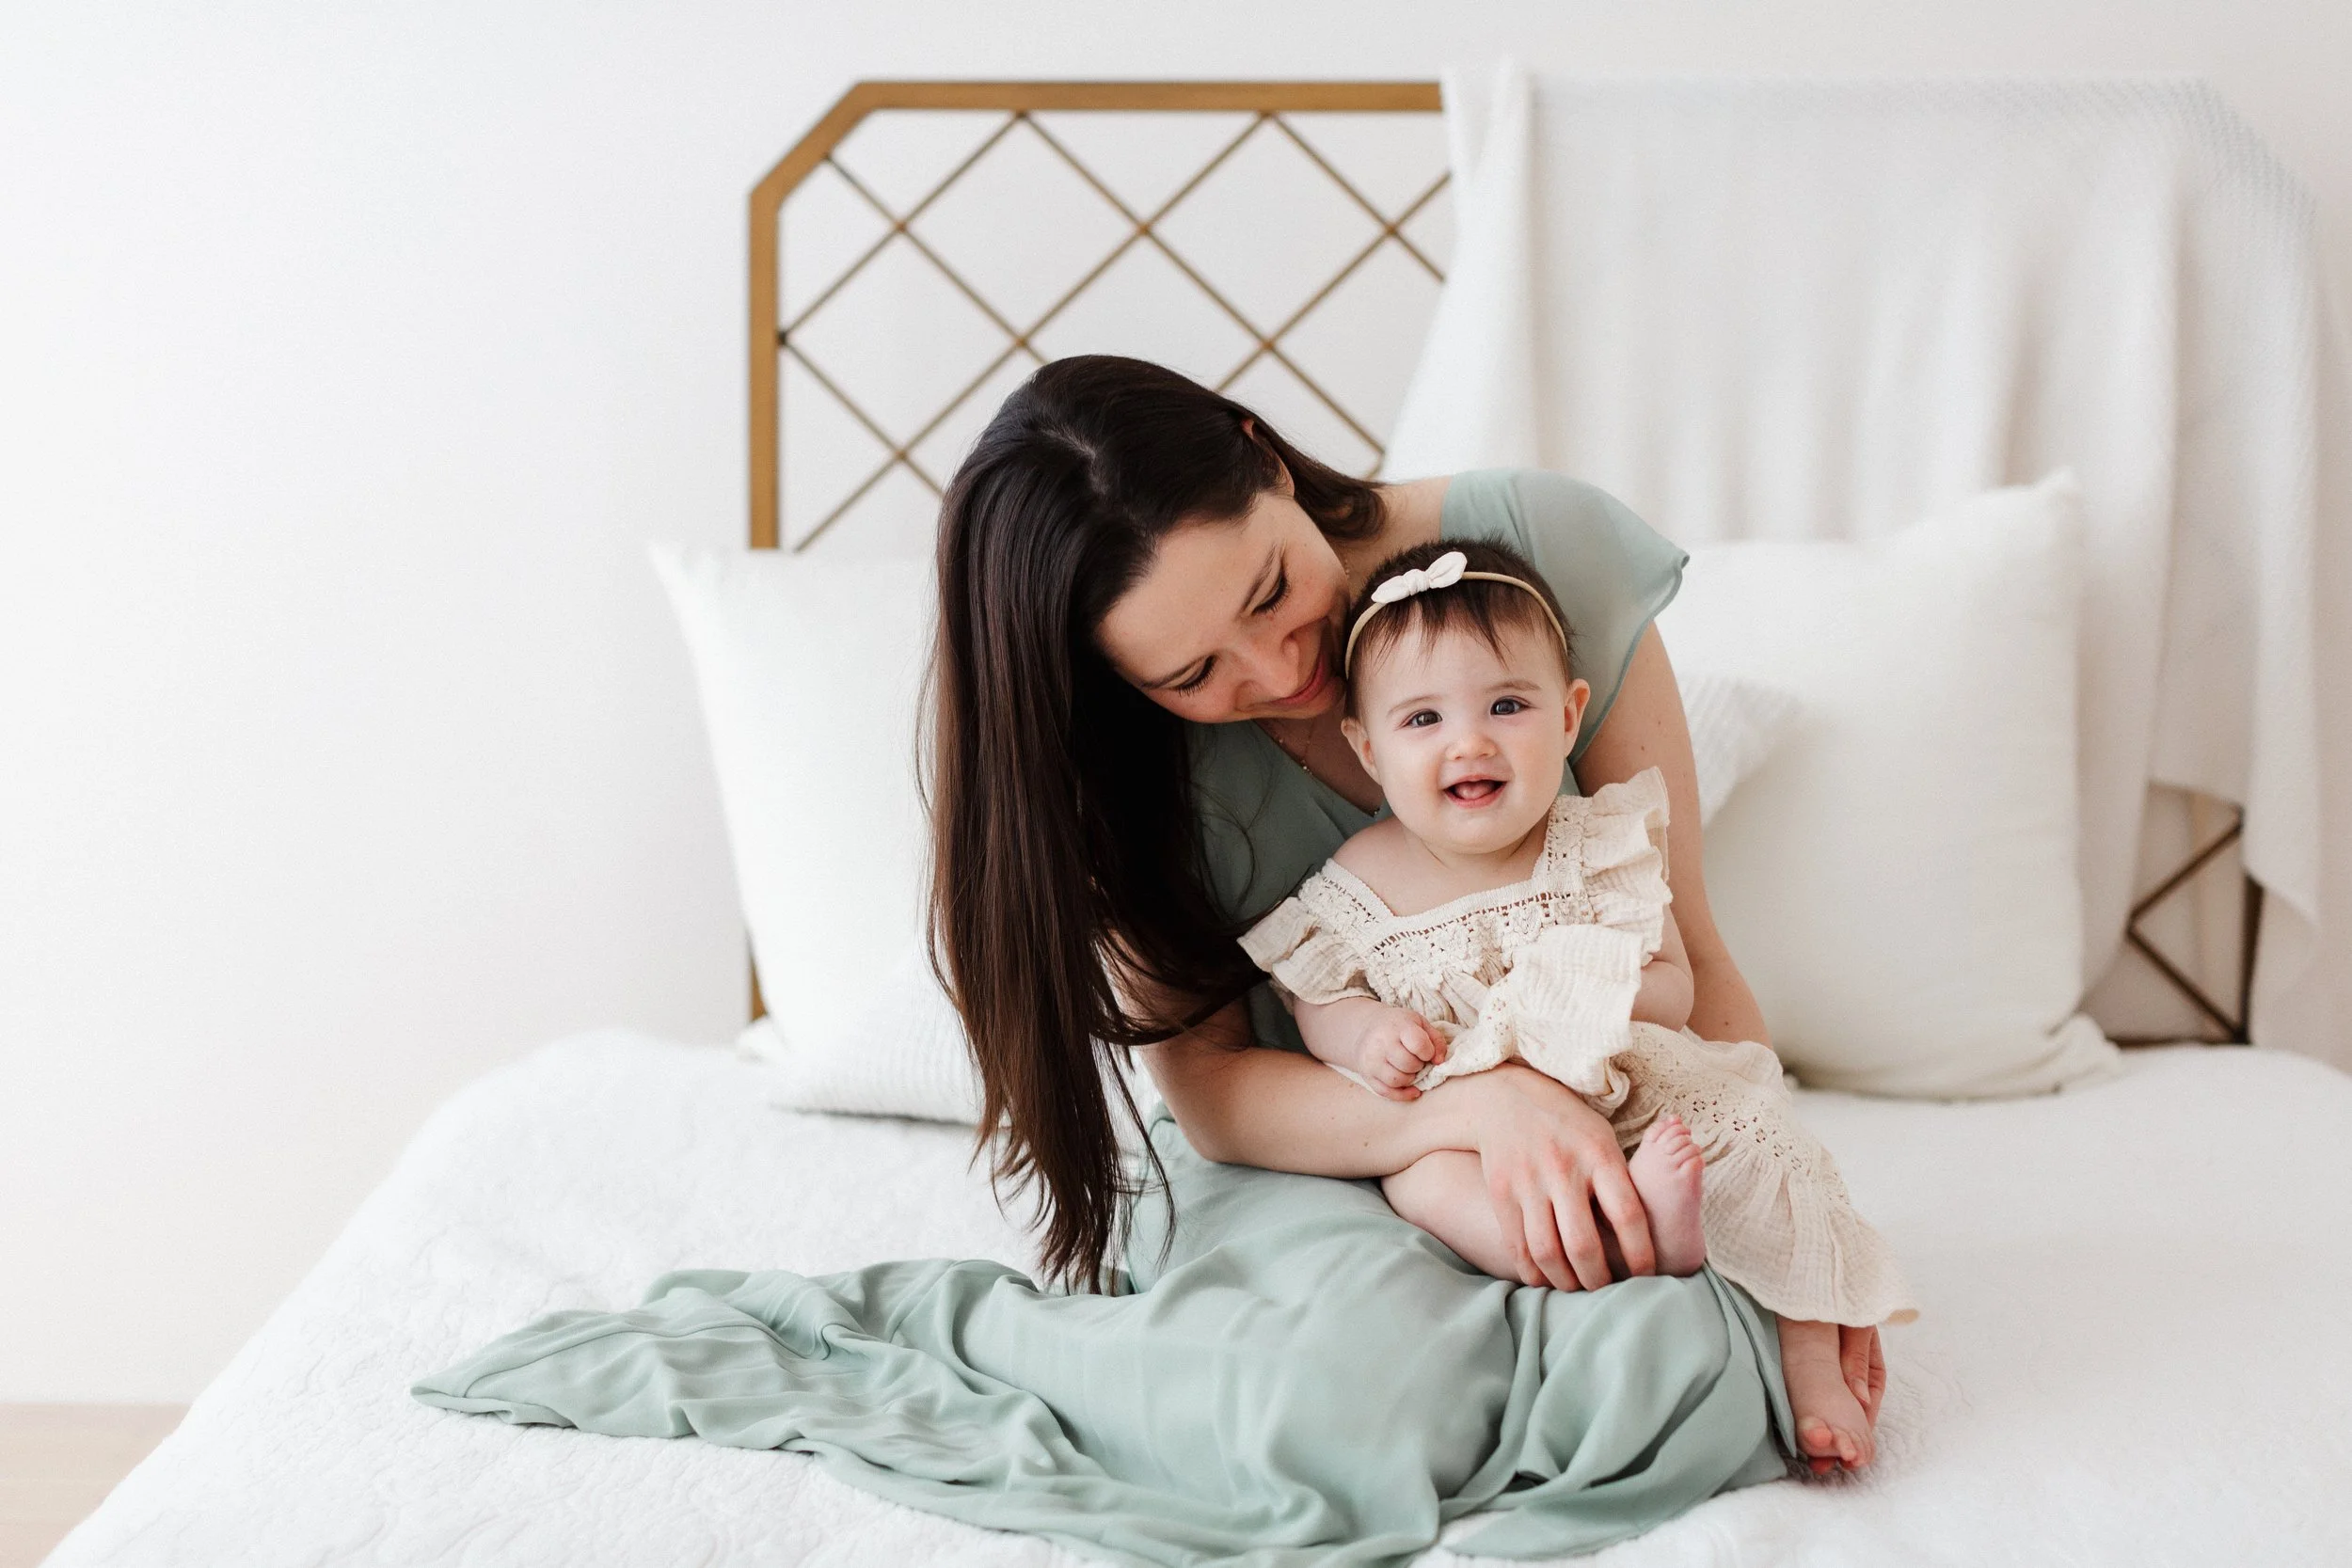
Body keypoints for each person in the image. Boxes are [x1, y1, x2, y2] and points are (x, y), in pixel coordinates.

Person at [1238, 537, 1916, 1473]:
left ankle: (1811, 1364)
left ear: (1567, 718)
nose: (1468, 741)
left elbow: (1676, 982)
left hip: (1631, 1085)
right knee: (1422, 1181)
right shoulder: (1357, 883)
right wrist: (1369, 1033)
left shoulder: (1596, 842)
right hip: (1469, 1120)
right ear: (1366, 745)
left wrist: (1593, 993)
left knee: (1764, 1131)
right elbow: (1321, 999)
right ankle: (1598, 1244)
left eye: (1506, 705)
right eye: (1423, 717)